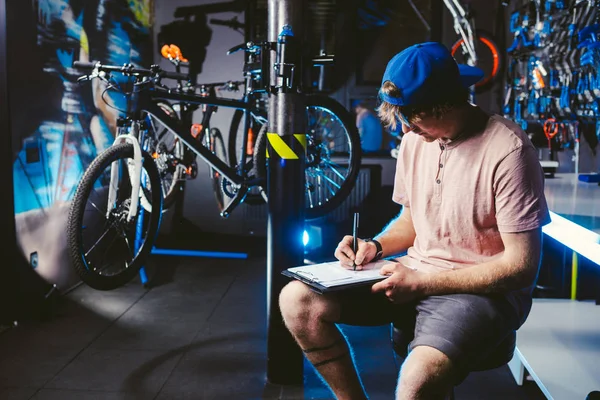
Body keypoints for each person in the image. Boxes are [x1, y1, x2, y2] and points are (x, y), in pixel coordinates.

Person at [278, 41, 550, 400]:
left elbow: (521, 267)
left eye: (412, 117)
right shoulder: (414, 142)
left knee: (417, 378)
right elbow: (412, 222)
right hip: (414, 271)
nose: (405, 129)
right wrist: (374, 246)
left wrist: (424, 283)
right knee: (297, 301)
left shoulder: (509, 151)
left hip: (479, 290)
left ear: (445, 104)